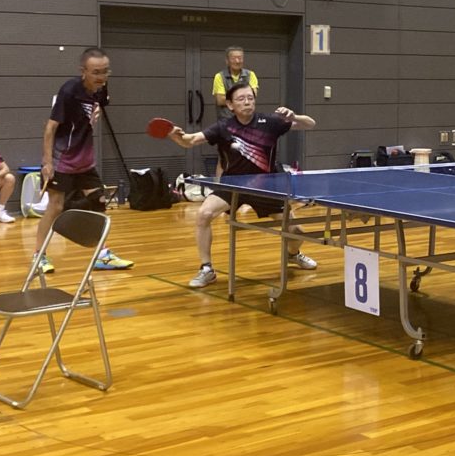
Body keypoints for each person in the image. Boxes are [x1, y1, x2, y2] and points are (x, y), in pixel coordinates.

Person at [166, 81, 318, 288]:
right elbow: (190, 140)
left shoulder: (270, 122)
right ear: (230, 105)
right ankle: (207, 268)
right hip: (233, 185)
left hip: (265, 186)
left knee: (297, 232)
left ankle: (293, 254)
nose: (247, 102)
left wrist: (294, 117)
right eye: (241, 99)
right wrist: (176, 137)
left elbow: (310, 124)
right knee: (204, 214)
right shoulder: (223, 127)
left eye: (250, 98)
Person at [35, 47, 134, 274]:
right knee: (55, 207)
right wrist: (47, 162)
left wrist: (94, 113)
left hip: (85, 161)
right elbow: (50, 127)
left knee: (99, 201)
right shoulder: (69, 90)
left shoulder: (101, 89)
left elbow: (98, 106)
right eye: (96, 72)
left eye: (105, 71)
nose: (101, 76)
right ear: (83, 71)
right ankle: (38, 256)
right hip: (62, 159)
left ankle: (102, 255)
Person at [212, 46, 259, 122]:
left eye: (240, 58)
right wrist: (243, 98)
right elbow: (220, 100)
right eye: (233, 58)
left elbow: (252, 96)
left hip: (247, 120)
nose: (237, 61)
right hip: (226, 120)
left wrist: (232, 99)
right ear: (227, 61)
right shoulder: (219, 76)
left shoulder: (251, 74)